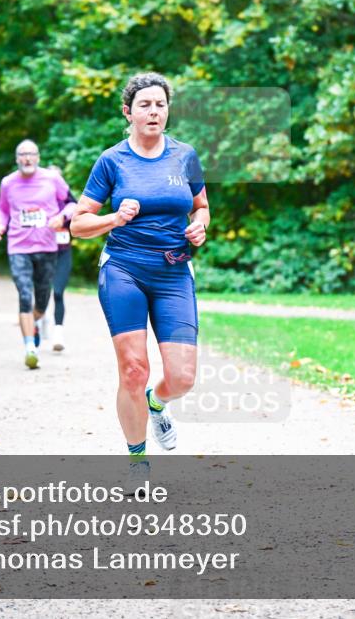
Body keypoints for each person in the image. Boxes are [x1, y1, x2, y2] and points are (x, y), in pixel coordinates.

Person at [71, 72, 209, 480]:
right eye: (145, 105)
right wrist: (115, 217)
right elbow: (78, 224)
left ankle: (157, 404)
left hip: (173, 272)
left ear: (168, 111)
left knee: (182, 378)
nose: (154, 111)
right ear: (128, 112)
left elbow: (201, 205)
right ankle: (137, 460)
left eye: (160, 105)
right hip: (124, 268)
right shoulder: (112, 161)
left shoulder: (185, 156)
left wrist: (200, 225)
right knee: (134, 368)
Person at [0, 140, 75, 369]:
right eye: (22, 154)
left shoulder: (52, 179)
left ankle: (34, 323)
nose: (27, 158)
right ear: (17, 158)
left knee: (42, 299)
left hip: (47, 247)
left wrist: (62, 217)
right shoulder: (8, 183)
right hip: (18, 247)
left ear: (38, 157)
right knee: (24, 294)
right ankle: (30, 347)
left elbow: (72, 204)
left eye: (31, 154)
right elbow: (2, 209)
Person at [49, 174, 77, 353]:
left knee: (58, 292)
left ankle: (58, 332)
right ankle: (39, 320)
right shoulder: (36, 200)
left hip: (63, 252)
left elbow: (77, 209)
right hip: (41, 253)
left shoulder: (69, 203)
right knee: (41, 292)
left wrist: (62, 217)